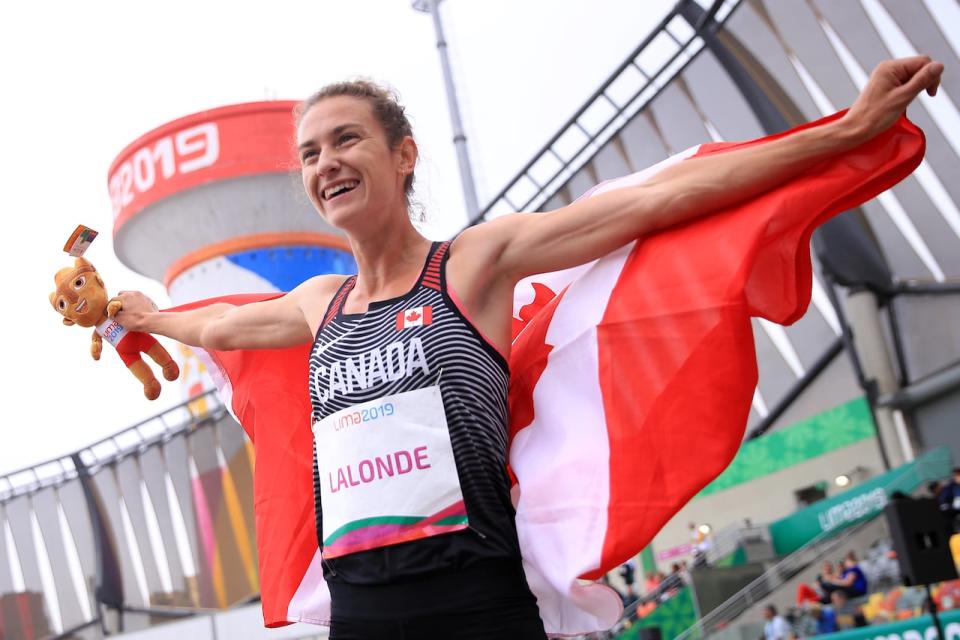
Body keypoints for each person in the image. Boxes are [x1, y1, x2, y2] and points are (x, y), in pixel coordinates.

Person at [113, 56, 943, 639]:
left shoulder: (474, 264)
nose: (326, 162)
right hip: (361, 612)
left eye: (346, 140)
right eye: (310, 152)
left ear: (403, 157)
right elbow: (217, 327)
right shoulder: (316, 305)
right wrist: (142, 316)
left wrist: (842, 134)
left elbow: (663, 197)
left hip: (477, 601)